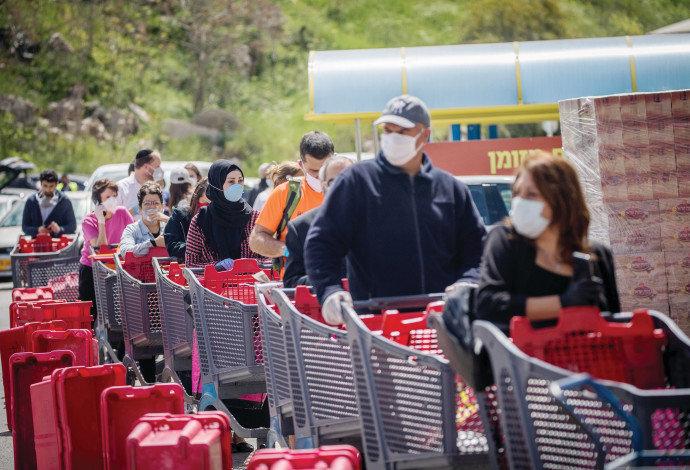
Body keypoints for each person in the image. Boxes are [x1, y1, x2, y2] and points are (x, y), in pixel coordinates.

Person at [304, 94, 486, 325]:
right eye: (388, 130)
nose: (393, 138)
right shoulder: (356, 182)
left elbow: (475, 249)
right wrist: (329, 290)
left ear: (425, 134)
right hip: (377, 328)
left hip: (443, 325)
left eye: (402, 132)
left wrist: (468, 282)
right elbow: (322, 243)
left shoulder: (450, 189)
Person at [475, 151, 620, 328]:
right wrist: (563, 302)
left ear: (562, 200)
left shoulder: (597, 256)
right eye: (517, 193)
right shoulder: (505, 240)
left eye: (532, 194)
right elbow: (488, 305)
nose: (520, 201)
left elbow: (612, 321)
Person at [249, 131, 334, 264]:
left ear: (334, 159)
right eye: (314, 171)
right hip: (297, 280)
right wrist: (289, 250)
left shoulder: (349, 192)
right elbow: (256, 240)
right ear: (301, 165)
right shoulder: (285, 193)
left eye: (325, 169)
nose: (320, 177)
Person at [283, 155, 353, 288]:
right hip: (323, 304)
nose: (341, 187)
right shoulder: (301, 227)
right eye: (334, 182)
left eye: (347, 180)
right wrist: (325, 280)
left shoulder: (376, 220)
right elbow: (292, 281)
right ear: (323, 185)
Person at [185, 160, 263, 269]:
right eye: (231, 181)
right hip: (212, 284)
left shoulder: (254, 218)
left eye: (240, 181)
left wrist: (252, 263)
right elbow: (191, 264)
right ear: (217, 184)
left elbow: (269, 257)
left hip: (249, 283)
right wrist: (216, 266)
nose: (237, 185)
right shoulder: (201, 220)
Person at [78, 178, 134, 326]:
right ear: (98, 201)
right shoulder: (88, 221)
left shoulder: (122, 213)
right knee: (90, 312)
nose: (112, 200)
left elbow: (134, 236)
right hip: (91, 269)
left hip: (117, 268)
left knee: (119, 311)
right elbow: (100, 250)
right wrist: (101, 221)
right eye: (108, 197)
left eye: (114, 196)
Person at [22, 169, 77, 238]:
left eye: (51, 186)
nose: (48, 190)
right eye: (45, 186)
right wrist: (37, 230)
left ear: (56, 184)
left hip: (58, 245)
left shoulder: (64, 201)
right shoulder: (31, 201)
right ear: (41, 183)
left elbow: (72, 226)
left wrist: (59, 229)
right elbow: (25, 227)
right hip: (36, 245)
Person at [164, 178, 209, 260]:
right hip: (189, 268)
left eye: (214, 204)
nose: (209, 208)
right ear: (196, 198)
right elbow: (172, 245)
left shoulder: (225, 216)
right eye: (206, 203)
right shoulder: (180, 215)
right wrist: (197, 248)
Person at [120, 182, 169, 256]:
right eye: (147, 203)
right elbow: (125, 252)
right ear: (140, 209)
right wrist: (153, 243)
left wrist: (169, 220)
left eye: (156, 203)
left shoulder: (169, 226)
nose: (152, 207)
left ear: (162, 207)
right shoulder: (131, 229)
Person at [116, 149, 163, 220]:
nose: (160, 170)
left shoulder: (156, 187)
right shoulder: (121, 188)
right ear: (146, 167)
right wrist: (136, 210)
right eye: (157, 167)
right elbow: (114, 219)